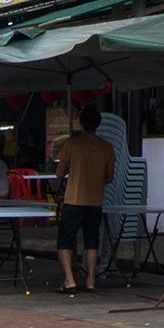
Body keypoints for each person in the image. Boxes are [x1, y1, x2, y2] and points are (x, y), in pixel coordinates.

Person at [53, 110, 116, 294]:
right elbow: (109, 177)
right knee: (92, 241)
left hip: (73, 199)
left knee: (65, 240)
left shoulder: (72, 144)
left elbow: (59, 173)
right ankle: (90, 280)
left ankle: (70, 279)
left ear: (80, 123)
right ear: (99, 124)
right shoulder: (107, 147)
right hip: (96, 200)